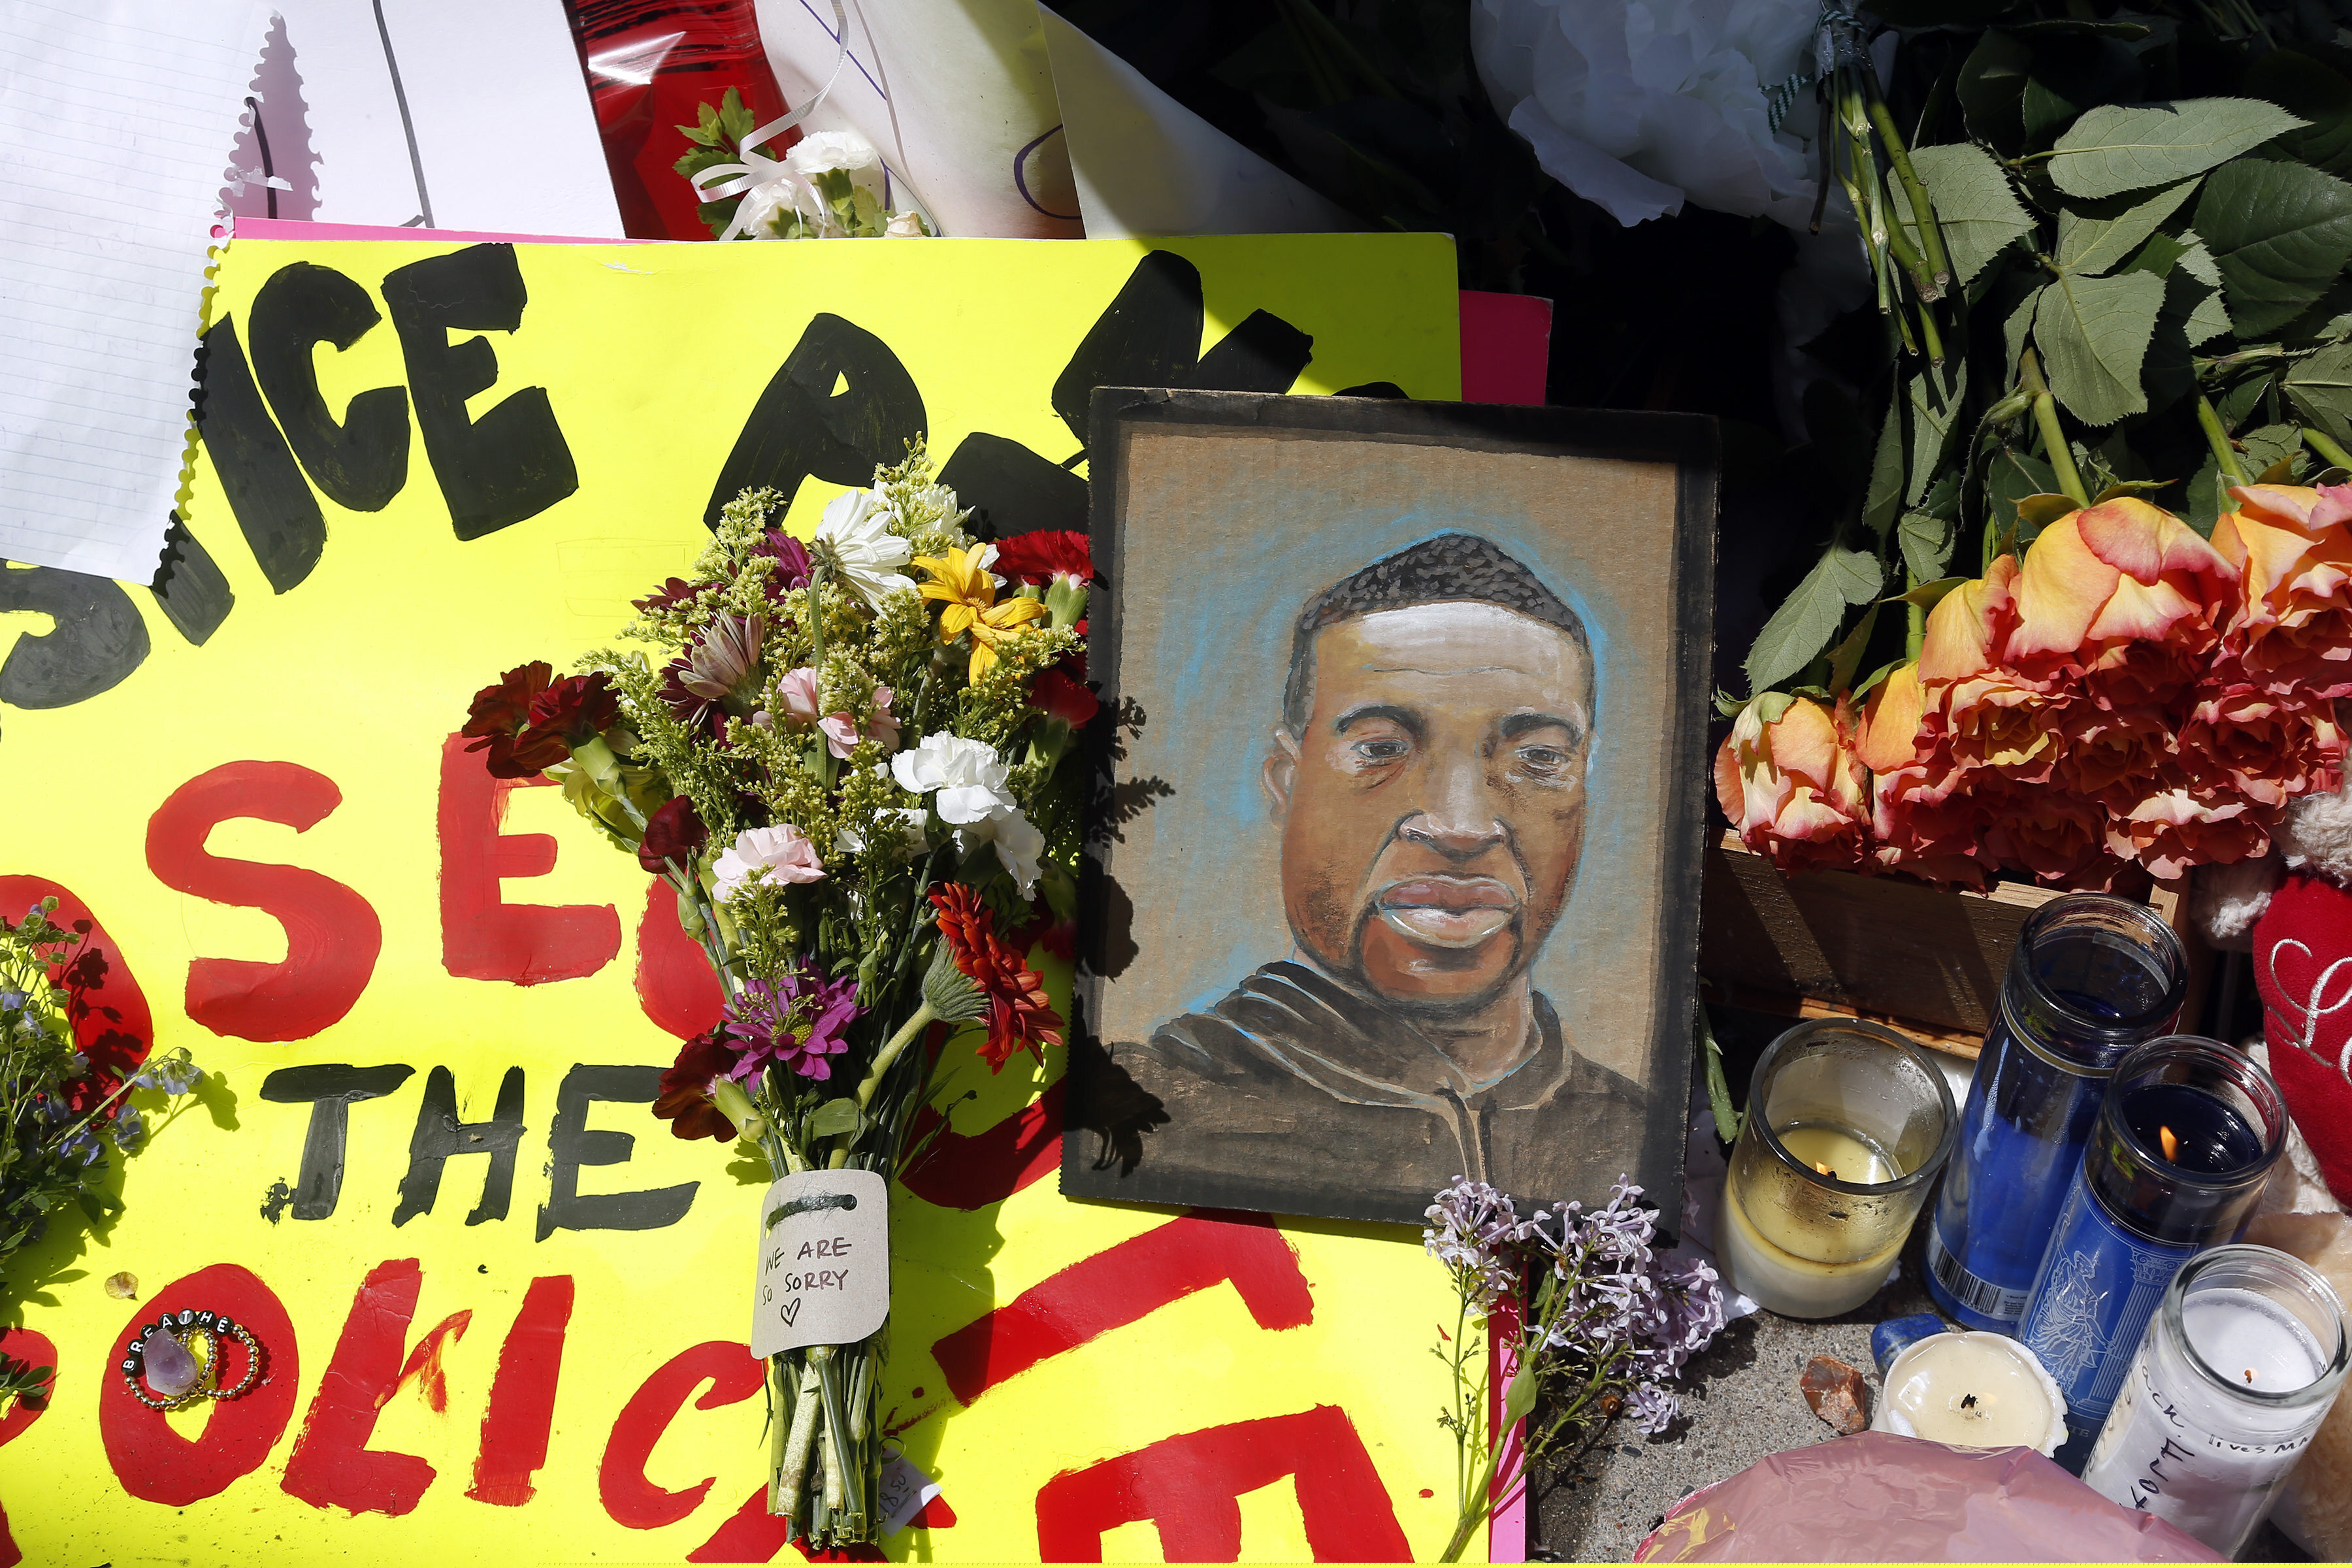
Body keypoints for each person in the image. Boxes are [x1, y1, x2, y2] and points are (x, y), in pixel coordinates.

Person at [1119, 532, 1651, 1224]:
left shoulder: (1637, 1145)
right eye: (1380, 749)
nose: (1460, 826)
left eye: (1541, 758)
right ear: (1287, 782)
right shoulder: (1149, 1107)